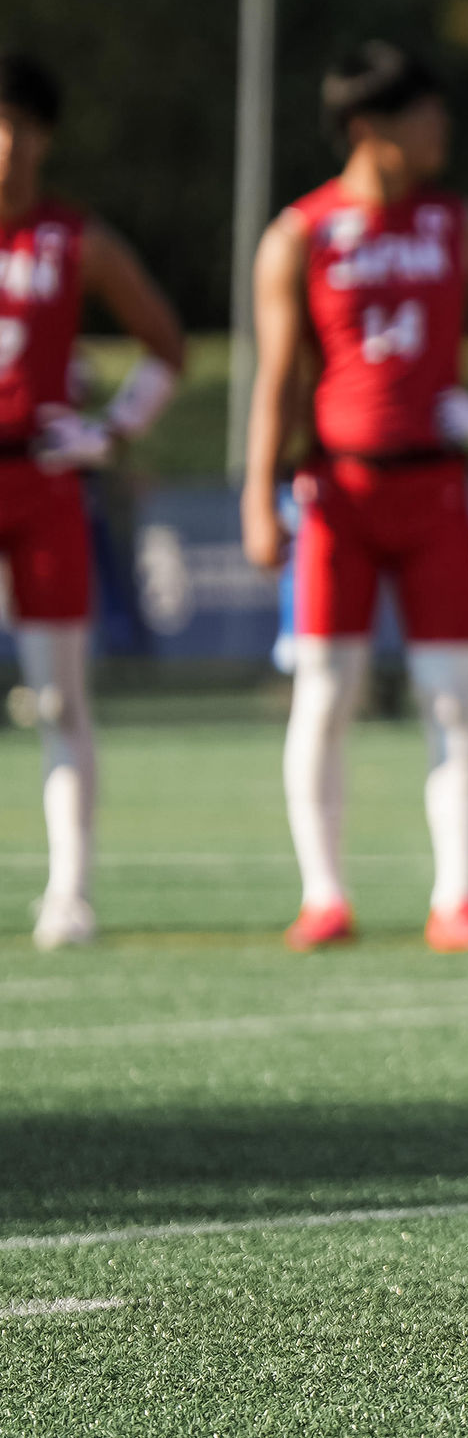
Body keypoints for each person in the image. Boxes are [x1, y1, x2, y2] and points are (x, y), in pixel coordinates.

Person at [243, 44, 468, 954]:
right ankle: (324, 896)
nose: (441, 128)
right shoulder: (300, 233)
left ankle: (456, 897)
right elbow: (276, 377)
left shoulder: (460, 224)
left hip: (435, 490)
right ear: (368, 127)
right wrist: (258, 497)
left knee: (451, 695)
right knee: (324, 693)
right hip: (336, 490)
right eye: (425, 113)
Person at [0, 57, 186, 950]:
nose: (3, 145)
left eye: (17, 125)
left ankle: (69, 891)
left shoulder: (73, 239)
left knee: (59, 696)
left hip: (42, 483)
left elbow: (166, 346)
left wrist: (109, 432)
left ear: (43, 137)